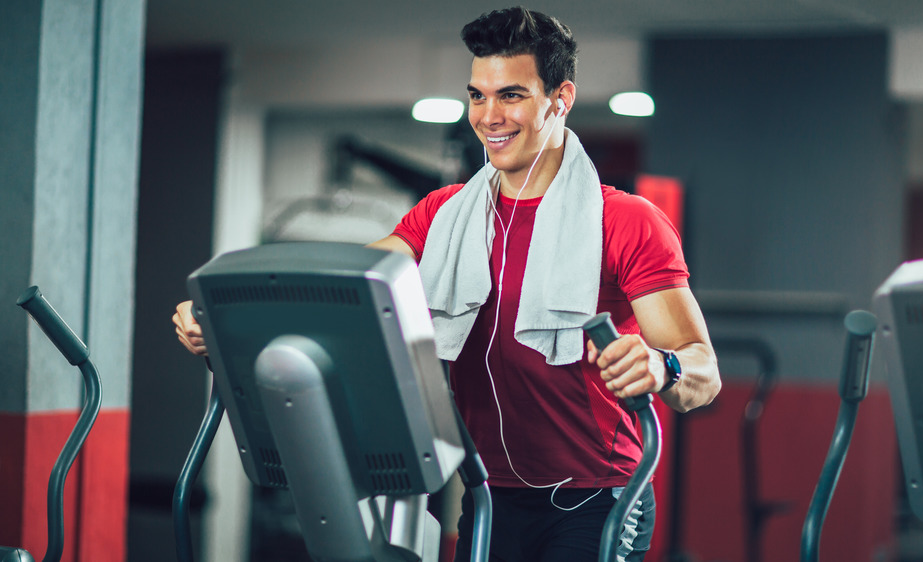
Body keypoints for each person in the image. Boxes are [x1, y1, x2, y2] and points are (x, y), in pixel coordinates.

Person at [174, 6, 720, 561]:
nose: (488, 116)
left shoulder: (623, 221)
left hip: (598, 497)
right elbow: (334, 294)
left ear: (561, 98)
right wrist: (226, 319)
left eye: (511, 95)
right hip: (490, 494)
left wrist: (661, 365)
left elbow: (703, 369)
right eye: (477, 95)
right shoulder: (443, 217)